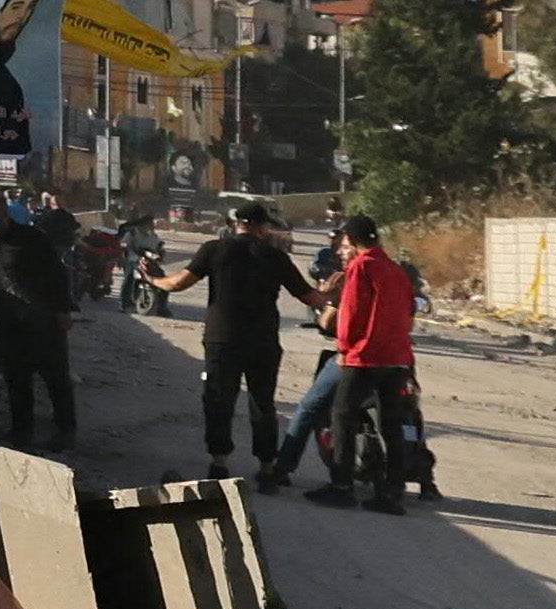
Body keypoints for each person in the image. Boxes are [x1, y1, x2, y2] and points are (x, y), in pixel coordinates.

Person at [268, 211, 423, 499]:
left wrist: (344, 349)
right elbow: (407, 313)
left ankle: (333, 483)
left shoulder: (360, 268)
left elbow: (350, 314)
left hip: (362, 356)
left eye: (344, 243)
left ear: (351, 241)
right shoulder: (396, 271)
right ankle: (392, 491)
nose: (342, 249)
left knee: (330, 412)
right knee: (392, 423)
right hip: (397, 358)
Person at [178, 200, 312, 476]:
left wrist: (154, 279)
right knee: (262, 404)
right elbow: (310, 296)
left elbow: (179, 283)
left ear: (235, 224)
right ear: (263, 227)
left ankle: (220, 462)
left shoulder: (214, 250)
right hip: (263, 341)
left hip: (222, 339)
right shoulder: (276, 258)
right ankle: (266, 467)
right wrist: (333, 293)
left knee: (218, 401)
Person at [0, 186, 81, 456]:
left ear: (1, 211)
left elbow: (57, 274)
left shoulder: (32, 238)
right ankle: (21, 432)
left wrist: (63, 310)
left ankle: (64, 431)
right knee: (17, 381)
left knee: (55, 379)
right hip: (9, 325)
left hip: (43, 322)